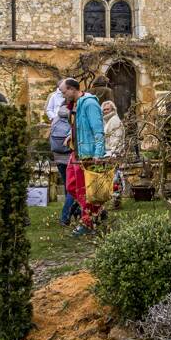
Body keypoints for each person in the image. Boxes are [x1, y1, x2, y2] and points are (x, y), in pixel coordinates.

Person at [69, 79, 107, 237]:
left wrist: (98, 154)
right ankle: (97, 211)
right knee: (71, 186)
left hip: (88, 154)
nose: (62, 95)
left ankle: (87, 222)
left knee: (86, 191)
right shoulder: (76, 104)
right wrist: (68, 136)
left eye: (64, 92)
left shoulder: (90, 103)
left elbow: (98, 131)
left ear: (72, 89)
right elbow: (78, 127)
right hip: (76, 152)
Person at [53, 79, 79, 227]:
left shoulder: (56, 118)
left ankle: (75, 214)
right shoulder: (72, 116)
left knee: (68, 187)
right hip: (70, 157)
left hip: (58, 158)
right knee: (73, 189)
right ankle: (65, 216)